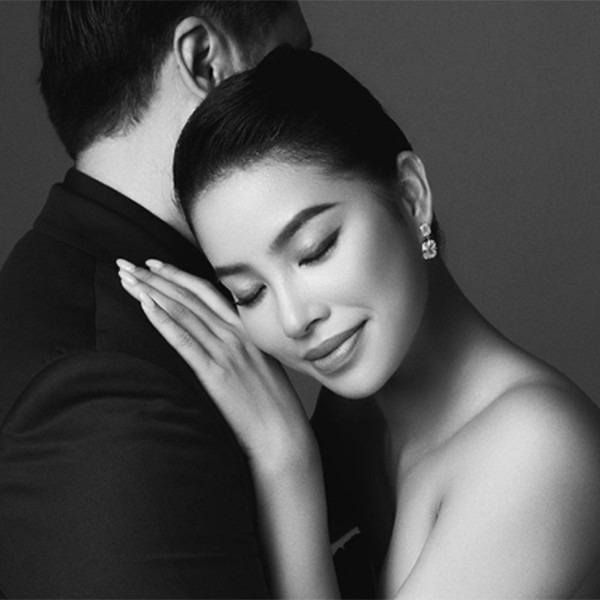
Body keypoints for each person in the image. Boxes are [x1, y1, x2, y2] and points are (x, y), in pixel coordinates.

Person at [118, 47, 600, 599]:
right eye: (249, 293)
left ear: (411, 197)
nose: (294, 319)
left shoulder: (539, 449)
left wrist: (285, 462)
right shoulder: (354, 415)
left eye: (315, 250)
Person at [0, 2, 310, 598]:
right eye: (294, 64)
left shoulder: (91, 292)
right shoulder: (104, 397)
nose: (319, 102)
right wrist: (288, 459)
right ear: (205, 61)